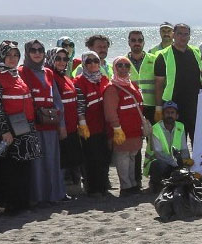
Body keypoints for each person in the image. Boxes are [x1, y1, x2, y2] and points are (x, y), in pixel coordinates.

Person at [0, 41, 40, 214]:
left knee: (23, 165)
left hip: (23, 127)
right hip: (7, 128)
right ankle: (10, 204)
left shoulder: (16, 74)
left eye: (15, 55)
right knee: (8, 167)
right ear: (1, 55)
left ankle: (22, 202)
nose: (12, 59)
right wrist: (4, 131)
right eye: (8, 55)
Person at [19, 39, 65, 205]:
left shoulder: (48, 73)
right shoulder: (21, 72)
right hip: (32, 126)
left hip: (50, 124)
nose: (37, 53)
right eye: (33, 50)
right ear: (27, 52)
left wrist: (62, 124)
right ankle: (37, 197)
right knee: (36, 163)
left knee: (52, 160)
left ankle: (53, 195)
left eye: (40, 50)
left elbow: (57, 100)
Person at [73, 50, 113, 197]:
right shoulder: (78, 82)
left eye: (95, 61)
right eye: (88, 61)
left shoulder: (103, 79)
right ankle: (93, 189)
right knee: (91, 159)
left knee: (105, 157)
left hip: (104, 126)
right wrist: (82, 124)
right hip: (89, 128)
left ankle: (103, 187)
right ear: (84, 64)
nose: (93, 64)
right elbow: (79, 106)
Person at [105, 57, 146, 196]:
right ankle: (126, 186)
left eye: (127, 65)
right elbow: (110, 111)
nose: (123, 68)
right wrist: (116, 128)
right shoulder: (112, 88)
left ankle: (133, 184)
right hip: (122, 132)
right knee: (122, 158)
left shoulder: (132, 84)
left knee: (132, 157)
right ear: (115, 68)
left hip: (135, 131)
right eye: (120, 65)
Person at [154, 23, 202, 130]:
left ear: (189, 37)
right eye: (179, 34)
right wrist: (158, 108)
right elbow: (159, 84)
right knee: (176, 140)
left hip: (195, 104)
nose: (183, 37)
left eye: (186, 34)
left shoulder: (196, 52)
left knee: (196, 140)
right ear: (173, 35)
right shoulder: (163, 56)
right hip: (173, 105)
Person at [46, 46, 79, 195]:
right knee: (62, 160)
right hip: (61, 126)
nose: (62, 62)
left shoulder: (65, 76)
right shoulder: (50, 77)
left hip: (73, 126)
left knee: (71, 157)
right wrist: (61, 125)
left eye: (65, 59)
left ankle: (72, 187)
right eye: (58, 58)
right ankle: (61, 189)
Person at [148, 102, 193, 192]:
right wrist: (176, 163)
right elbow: (158, 153)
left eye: (172, 113)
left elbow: (184, 148)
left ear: (177, 116)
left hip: (174, 163)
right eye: (167, 113)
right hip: (161, 162)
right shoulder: (156, 128)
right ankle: (155, 184)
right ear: (163, 115)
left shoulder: (180, 126)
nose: (170, 115)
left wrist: (186, 162)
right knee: (158, 164)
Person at [125, 29, 159, 122]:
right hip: (132, 105)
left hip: (152, 105)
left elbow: (162, 83)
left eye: (140, 40)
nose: (137, 43)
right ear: (129, 43)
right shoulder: (122, 62)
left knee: (153, 135)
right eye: (133, 40)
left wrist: (160, 106)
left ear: (144, 43)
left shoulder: (155, 59)